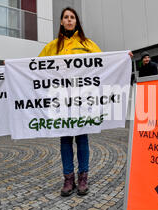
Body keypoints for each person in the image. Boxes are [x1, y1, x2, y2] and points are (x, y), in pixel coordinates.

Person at [38, 7, 132, 197]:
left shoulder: (87, 43)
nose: (69, 20)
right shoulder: (53, 46)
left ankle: (83, 178)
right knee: (65, 139)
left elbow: (104, 63)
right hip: (62, 101)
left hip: (82, 100)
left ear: (76, 21)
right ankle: (68, 178)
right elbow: (36, 67)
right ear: (61, 22)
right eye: (66, 17)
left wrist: (123, 58)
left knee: (82, 139)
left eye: (72, 17)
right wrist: (14, 67)